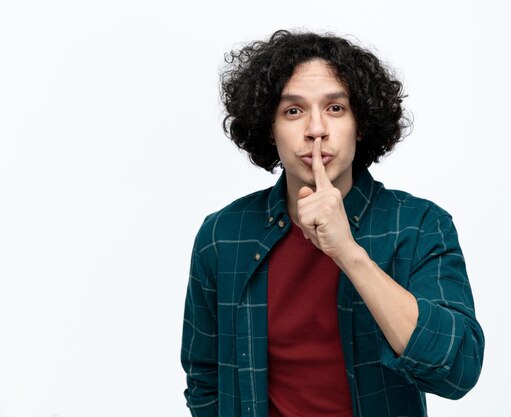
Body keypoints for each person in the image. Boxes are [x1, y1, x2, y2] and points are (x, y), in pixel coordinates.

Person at [181, 29, 484, 417]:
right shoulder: (223, 235)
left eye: (335, 108)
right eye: (293, 111)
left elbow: (457, 370)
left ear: (361, 124)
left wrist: (348, 252)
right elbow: (204, 378)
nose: (316, 129)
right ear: (269, 129)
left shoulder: (420, 225)